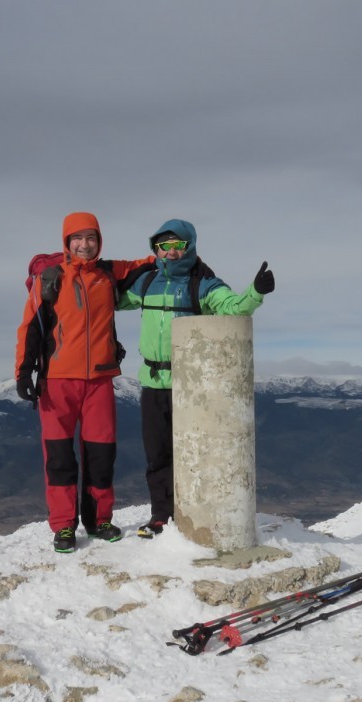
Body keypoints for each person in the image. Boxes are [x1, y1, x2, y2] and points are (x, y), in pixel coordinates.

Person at [118, 218, 274, 538]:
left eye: (177, 245)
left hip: (190, 386)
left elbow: (233, 309)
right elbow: (107, 301)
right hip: (151, 382)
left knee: (192, 454)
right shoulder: (147, 283)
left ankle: (193, 515)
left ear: (189, 246)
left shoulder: (202, 284)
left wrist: (255, 293)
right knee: (157, 453)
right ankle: (161, 516)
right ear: (155, 250)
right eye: (164, 246)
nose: (171, 252)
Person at [15, 212, 154, 553]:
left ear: (99, 241)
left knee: (101, 455)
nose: (84, 244)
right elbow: (30, 328)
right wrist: (23, 371)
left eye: (91, 237)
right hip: (57, 382)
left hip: (99, 381)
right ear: (66, 242)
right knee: (60, 458)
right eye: (77, 238)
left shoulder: (108, 273)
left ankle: (98, 520)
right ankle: (63, 526)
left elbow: (147, 264)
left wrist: (174, 251)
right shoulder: (50, 278)